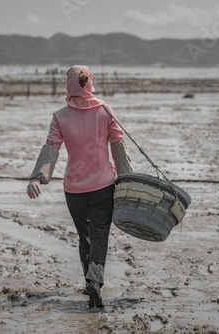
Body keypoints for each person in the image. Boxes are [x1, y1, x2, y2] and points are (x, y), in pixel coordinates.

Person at [26, 65, 133, 308]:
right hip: (103, 186)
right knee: (99, 236)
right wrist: (128, 179)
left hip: (73, 189)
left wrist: (37, 178)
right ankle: (94, 282)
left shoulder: (60, 116)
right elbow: (118, 145)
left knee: (85, 237)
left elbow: (51, 148)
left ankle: (89, 282)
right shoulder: (105, 110)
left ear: (69, 85)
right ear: (89, 83)